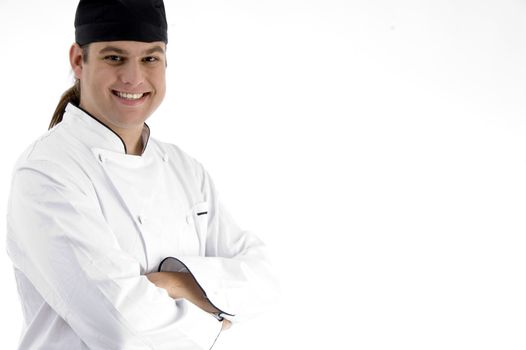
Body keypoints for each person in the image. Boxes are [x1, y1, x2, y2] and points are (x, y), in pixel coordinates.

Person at [6, 1, 278, 349]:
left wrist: (177, 284)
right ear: (78, 60)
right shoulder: (46, 172)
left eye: (150, 58)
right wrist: (217, 311)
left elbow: (265, 280)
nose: (134, 78)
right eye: (114, 58)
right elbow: (124, 329)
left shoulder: (185, 168)